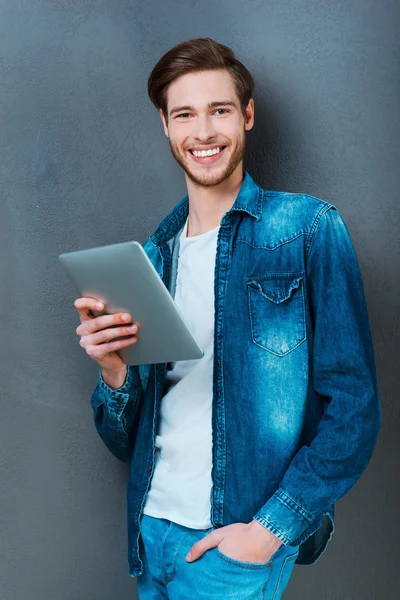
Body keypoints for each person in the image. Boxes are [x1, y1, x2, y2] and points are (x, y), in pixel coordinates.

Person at [74, 38, 381, 599]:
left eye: (219, 110)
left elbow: (356, 410)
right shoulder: (153, 258)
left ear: (247, 115)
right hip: (151, 536)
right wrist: (114, 372)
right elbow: (125, 441)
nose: (204, 132)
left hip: (231, 550)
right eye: (185, 114)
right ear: (165, 127)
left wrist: (269, 531)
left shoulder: (307, 230)